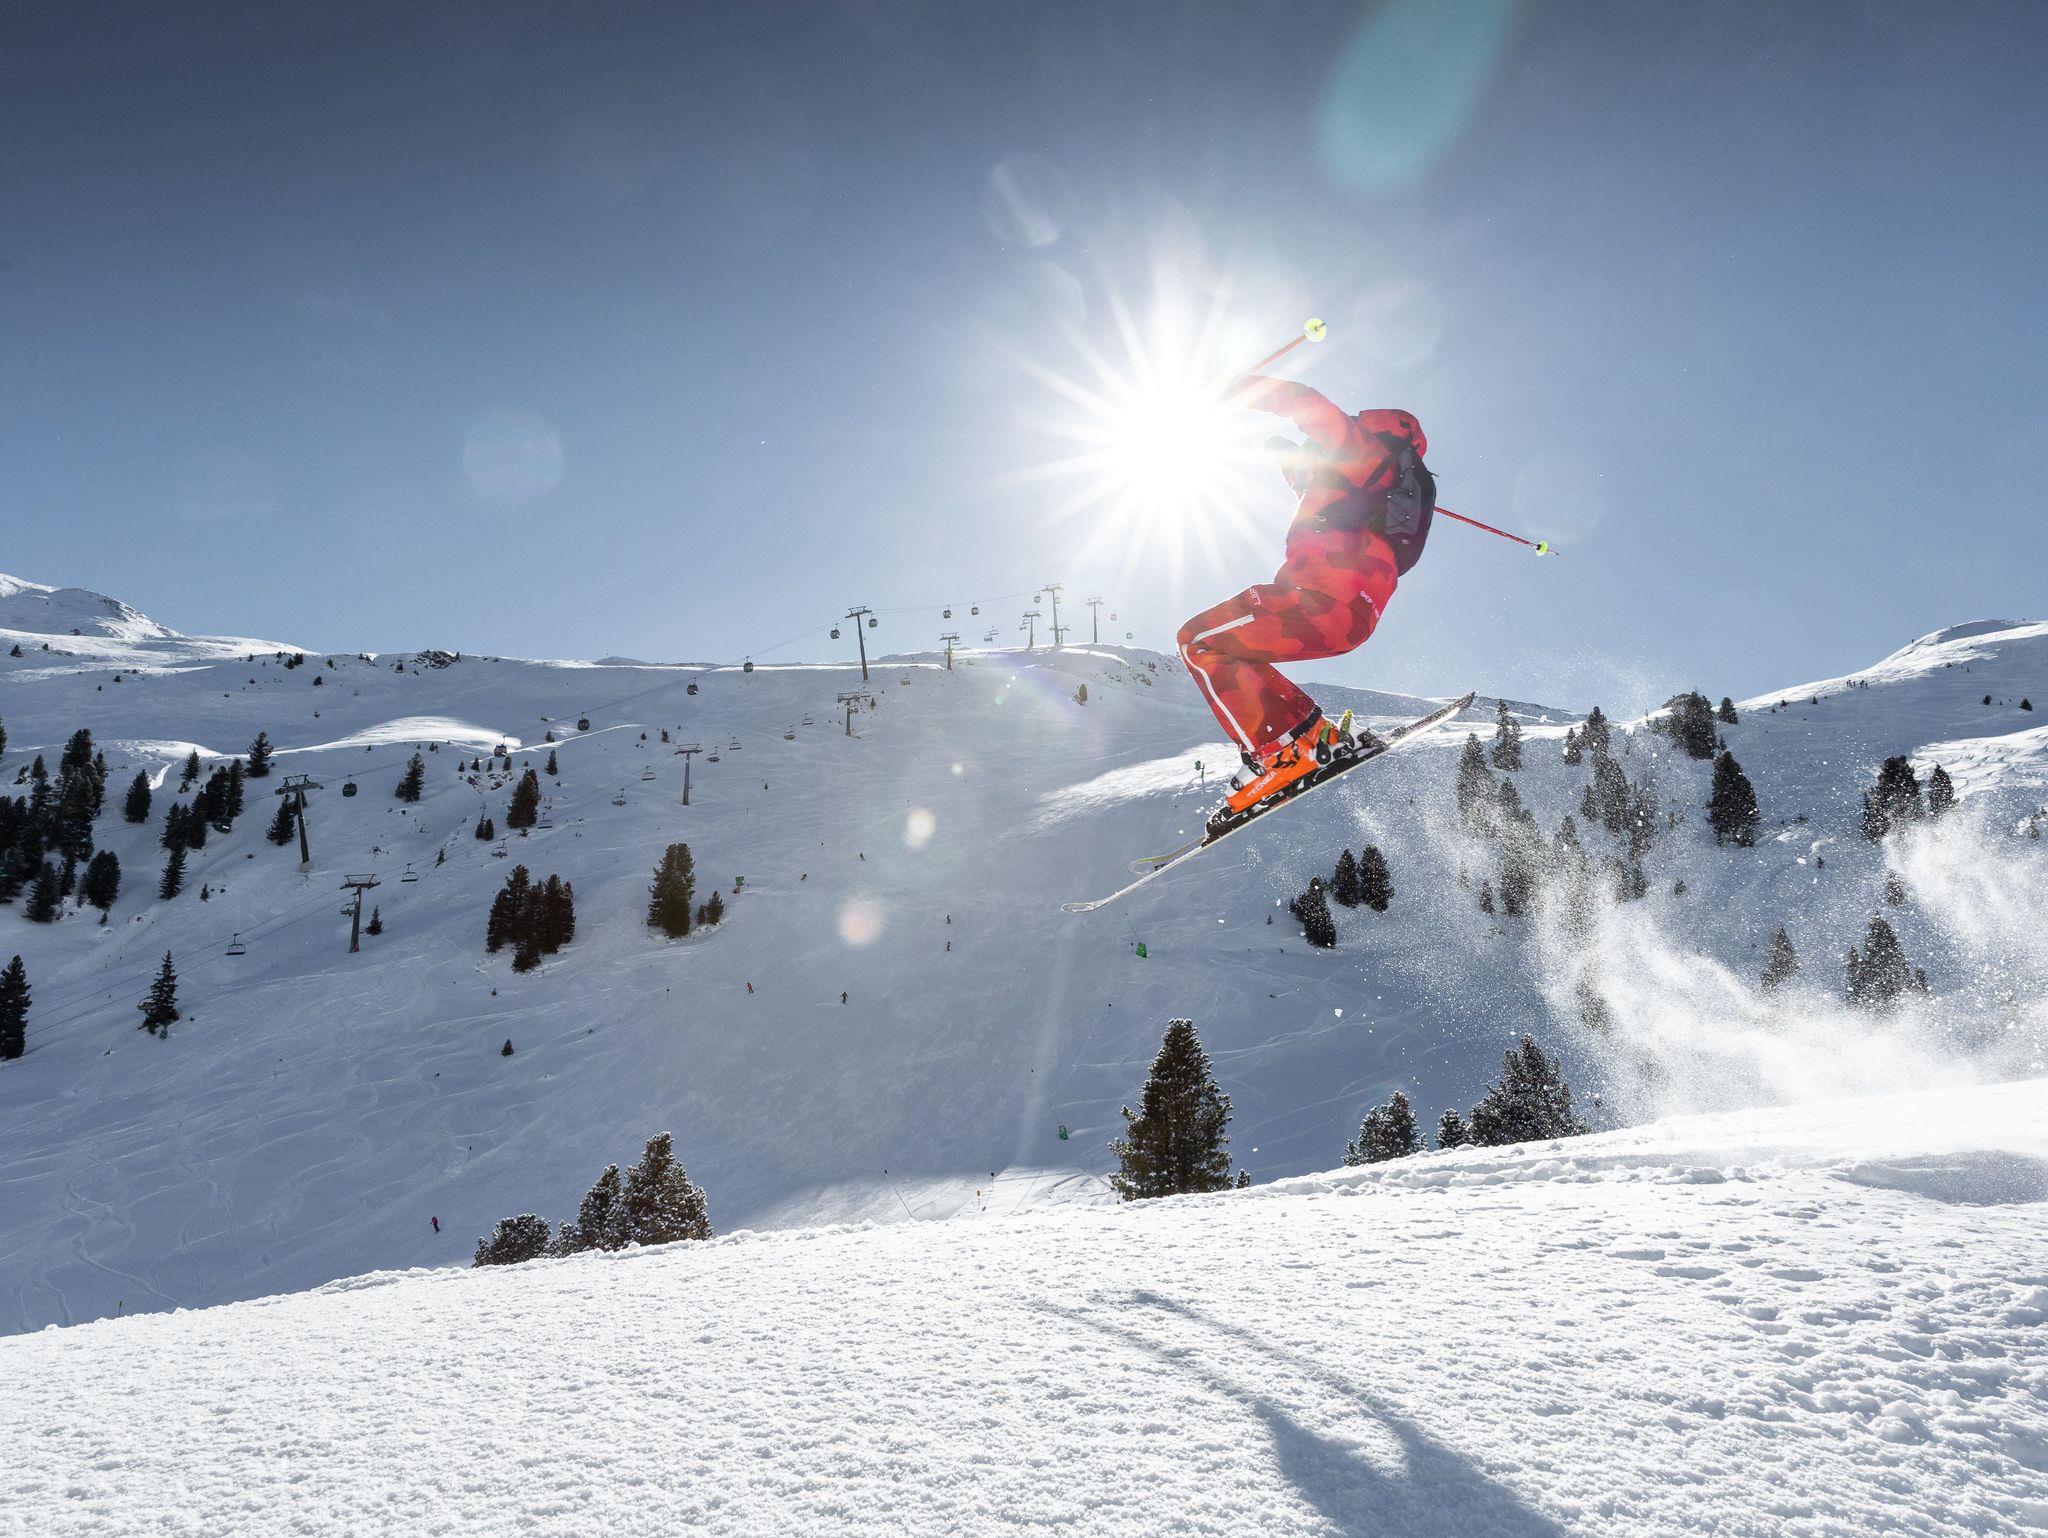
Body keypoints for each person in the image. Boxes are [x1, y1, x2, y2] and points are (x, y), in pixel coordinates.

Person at [1177, 376, 1434, 820]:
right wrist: (1290, 464)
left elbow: (1309, 405)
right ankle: (1311, 738)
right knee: (1239, 652)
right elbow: (1320, 498)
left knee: (1198, 641)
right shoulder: (1386, 487)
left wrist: (1235, 388)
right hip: (1350, 620)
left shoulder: (1364, 450)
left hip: (1317, 598)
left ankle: (1279, 751)